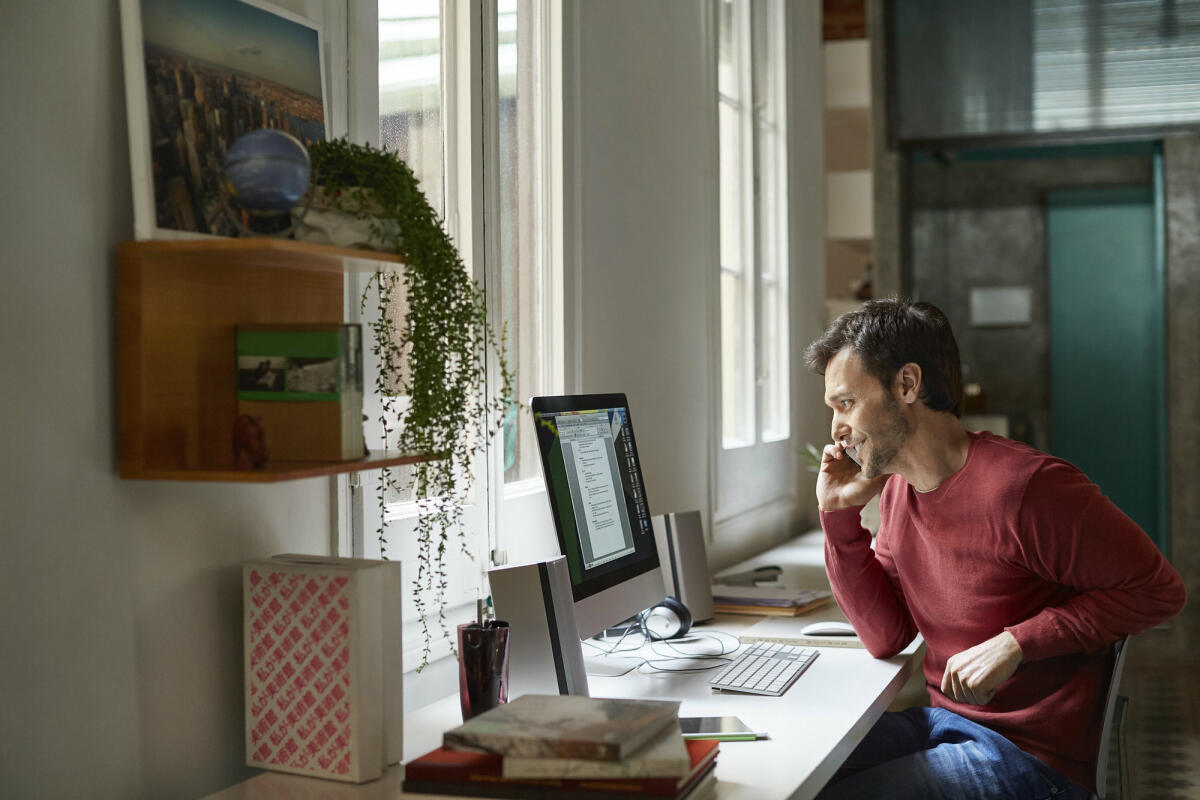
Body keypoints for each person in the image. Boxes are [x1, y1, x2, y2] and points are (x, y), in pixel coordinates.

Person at [804, 298, 1185, 800]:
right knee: (800, 770)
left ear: (907, 385)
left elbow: (1159, 590)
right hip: (945, 724)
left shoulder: (1028, 488)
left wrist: (1018, 642)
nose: (836, 429)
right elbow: (886, 636)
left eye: (847, 403)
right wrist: (837, 519)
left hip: (1030, 758)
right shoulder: (898, 492)